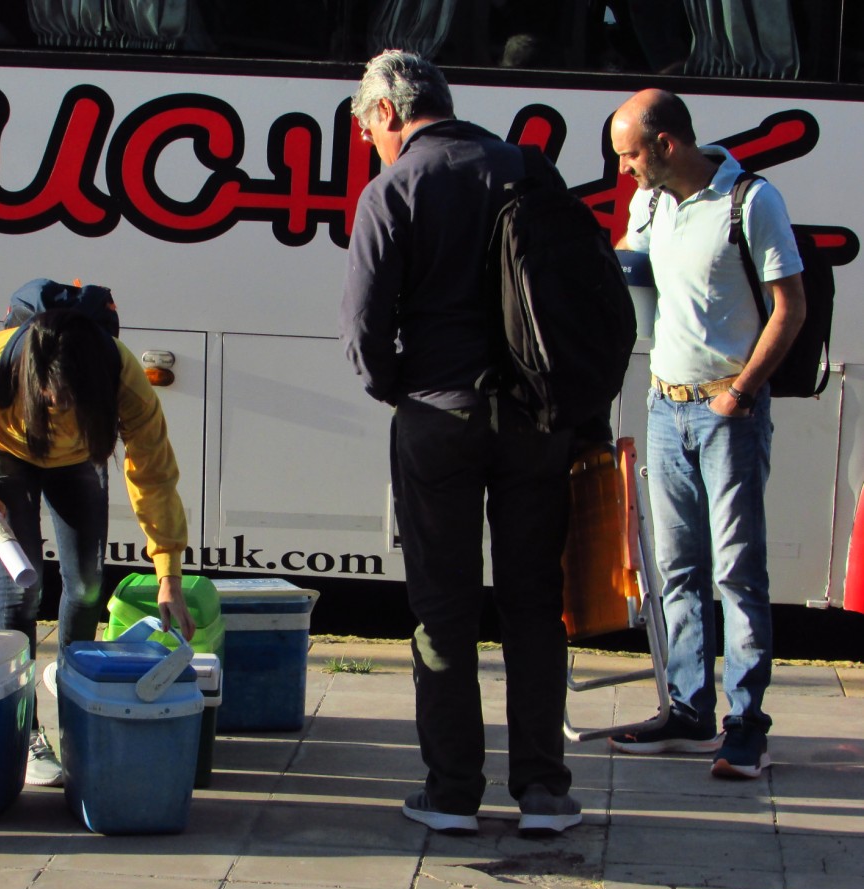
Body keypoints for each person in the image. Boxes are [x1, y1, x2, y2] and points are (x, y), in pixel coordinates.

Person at [340, 49, 581, 836]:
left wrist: (405, 389)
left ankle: (451, 793)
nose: (372, 145)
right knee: (534, 605)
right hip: (536, 422)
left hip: (438, 419)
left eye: (368, 130)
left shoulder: (394, 189)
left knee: (442, 609)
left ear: (385, 113)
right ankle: (543, 792)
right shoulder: (529, 171)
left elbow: (366, 335)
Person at [608, 89, 805, 778]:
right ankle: (688, 709)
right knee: (680, 569)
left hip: (728, 412)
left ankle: (746, 722)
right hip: (666, 405)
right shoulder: (652, 202)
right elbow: (628, 269)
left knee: (737, 572)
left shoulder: (750, 201)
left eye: (630, 155)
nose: (625, 170)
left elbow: (792, 307)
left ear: (665, 145)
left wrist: (741, 393)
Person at [0, 279, 196, 787]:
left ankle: (78, 709)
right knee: (21, 585)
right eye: (52, 399)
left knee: (87, 585)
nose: (60, 407)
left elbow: (155, 477)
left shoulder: (124, 380)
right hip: (5, 450)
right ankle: (23, 730)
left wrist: (169, 573)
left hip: (77, 462)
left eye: (73, 402)